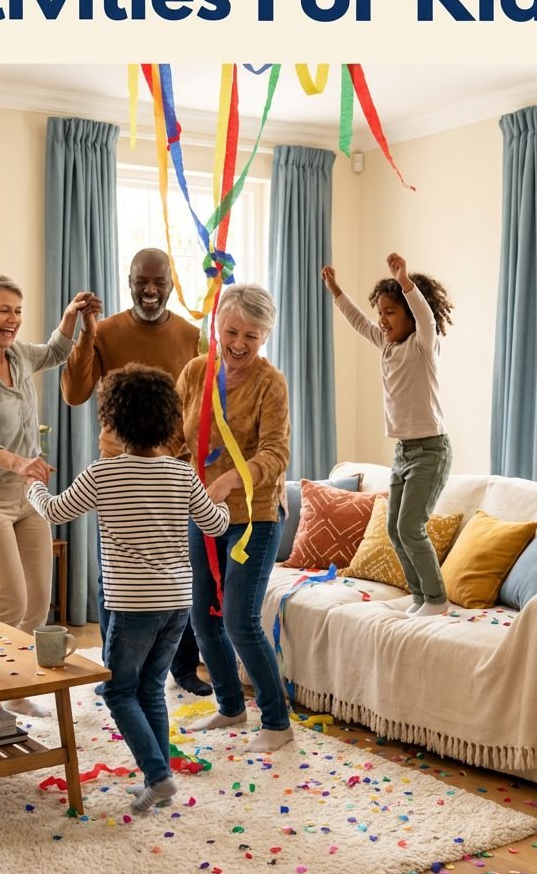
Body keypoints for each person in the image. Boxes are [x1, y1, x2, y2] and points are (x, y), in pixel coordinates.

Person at [27, 364, 229, 814]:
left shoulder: (104, 473)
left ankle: (157, 777)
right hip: (178, 604)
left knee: (120, 691)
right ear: (167, 420)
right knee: (151, 687)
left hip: (132, 606)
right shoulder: (181, 475)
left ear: (114, 421)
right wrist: (219, 501)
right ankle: (159, 776)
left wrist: (34, 489)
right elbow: (215, 524)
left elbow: (56, 512)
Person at [61, 246, 212, 695]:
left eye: (158, 282)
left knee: (176, 572)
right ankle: (113, 670)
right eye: (140, 281)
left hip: (172, 472)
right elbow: (74, 392)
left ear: (170, 283)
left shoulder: (191, 335)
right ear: (128, 281)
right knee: (117, 576)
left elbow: (203, 405)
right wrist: (88, 334)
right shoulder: (104, 331)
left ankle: (183, 668)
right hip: (117, 470)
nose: (149, 290)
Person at [0, 272, 101, 714]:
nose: (13, 319)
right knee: (10, 600)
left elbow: (55, 350)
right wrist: (19, 463)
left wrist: (71, 316)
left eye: (18, 311)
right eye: (4, 311)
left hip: (27, 496)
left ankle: (15, 690)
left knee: (37, 601)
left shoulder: (17, 357)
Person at [177, 282, 294, 752]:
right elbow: (175, 439)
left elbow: (276, 453)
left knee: (239, 619)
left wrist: (228, 481)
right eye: (232, 332)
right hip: (203, 512)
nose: (240, 344)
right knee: (202, 617)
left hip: (256, 515)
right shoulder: (195, 373)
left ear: (265, 335)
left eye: (253, 335)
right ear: (216, 327)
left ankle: (277, 722)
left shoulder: (271, 383)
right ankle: (230, 706)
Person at [322, 252, 454, 618]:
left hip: (431, 451)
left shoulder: (423, 345)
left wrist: (405, 281)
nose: (382, 320)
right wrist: (336, 291)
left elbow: (426, 316)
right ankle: (420, 598)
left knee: (411, 526)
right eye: (380, 312)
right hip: (403, 453)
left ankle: (437, 598)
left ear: (410, 315)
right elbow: (357, 321)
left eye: (390, 312)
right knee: (396, 530)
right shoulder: (386, 345)